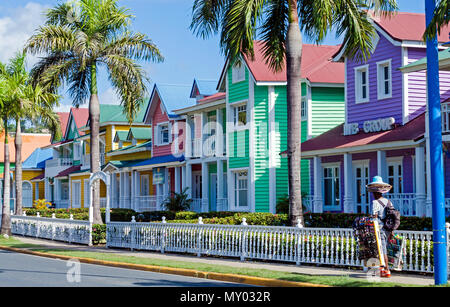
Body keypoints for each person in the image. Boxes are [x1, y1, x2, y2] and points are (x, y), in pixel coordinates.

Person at [366, 176, 393, 278]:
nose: (372, 194)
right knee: (383, 247)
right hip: (387, 228)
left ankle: (386, 269)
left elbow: (374, 216)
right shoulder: (388, 201)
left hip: (379, 228)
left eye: (373, 192)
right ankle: (383, 269)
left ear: (376, 192)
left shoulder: (375, 203)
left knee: (380, 249)